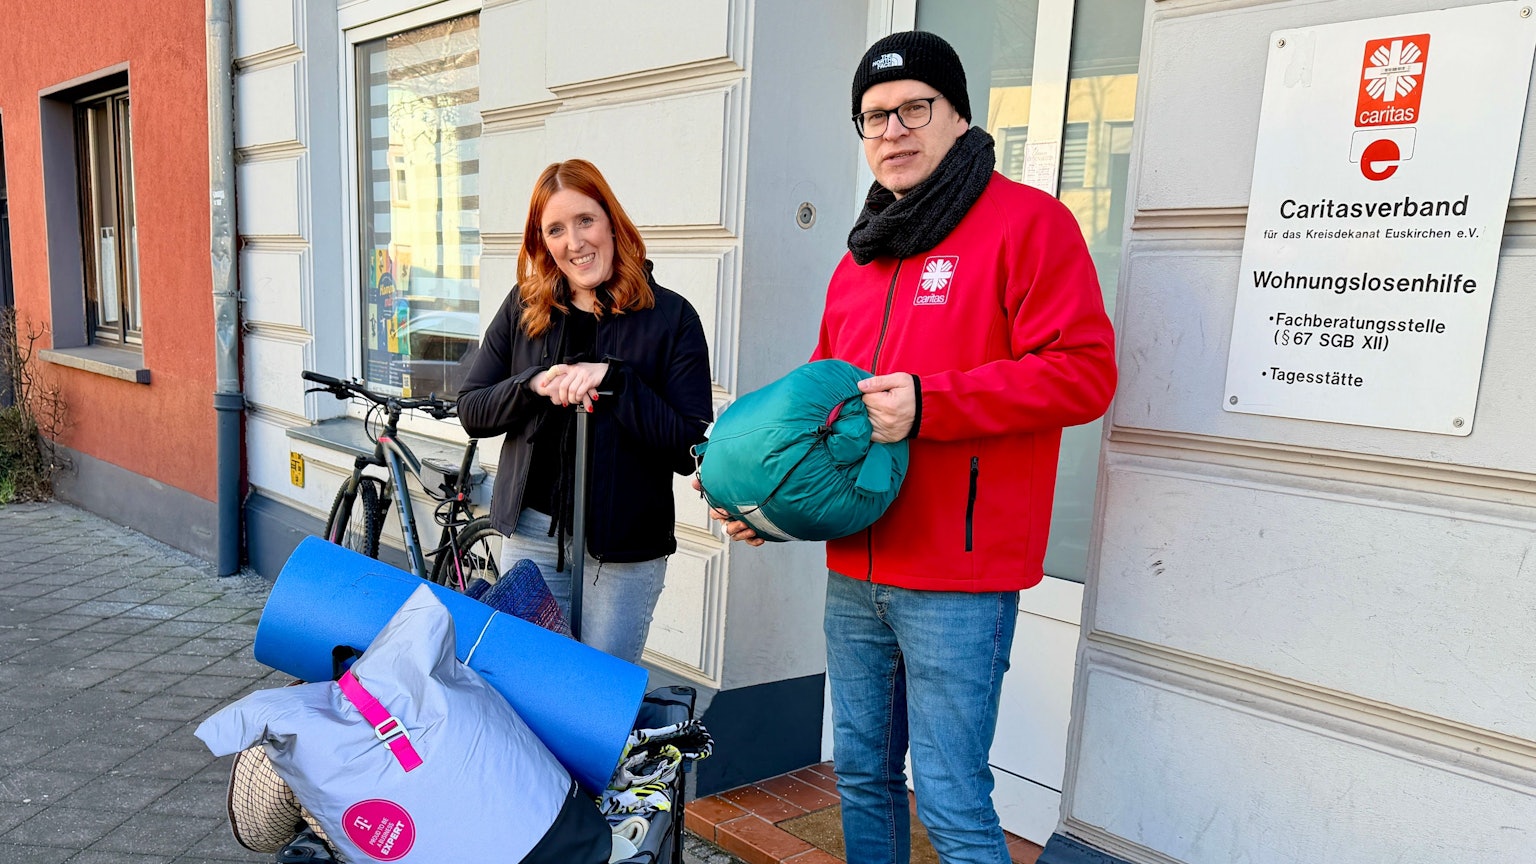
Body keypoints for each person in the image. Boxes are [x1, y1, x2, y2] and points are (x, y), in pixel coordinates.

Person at [710, 31, 1117, 864]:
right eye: (871, 118)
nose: (890, 131)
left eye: (911, 109)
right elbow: (821, 416)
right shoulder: (860, 257)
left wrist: (934, 403)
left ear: (959, 114)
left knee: (952, 799)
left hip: (957, 581)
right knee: (860, 777)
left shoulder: (1030, 225)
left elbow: (1084, 375)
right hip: (854, 571)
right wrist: (768, 508)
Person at [459, 159, 713, 665]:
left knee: (595, 701)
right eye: (555, 229)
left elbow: (690, 446)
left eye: (585, 220)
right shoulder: (524, 308)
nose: (574, 242)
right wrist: (531, 385)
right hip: (532, 533)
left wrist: (616, 380)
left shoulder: (671, 318)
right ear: (542, 242)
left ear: (611, 221)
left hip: (623, 552)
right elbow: (472, 409)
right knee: (521, 685)